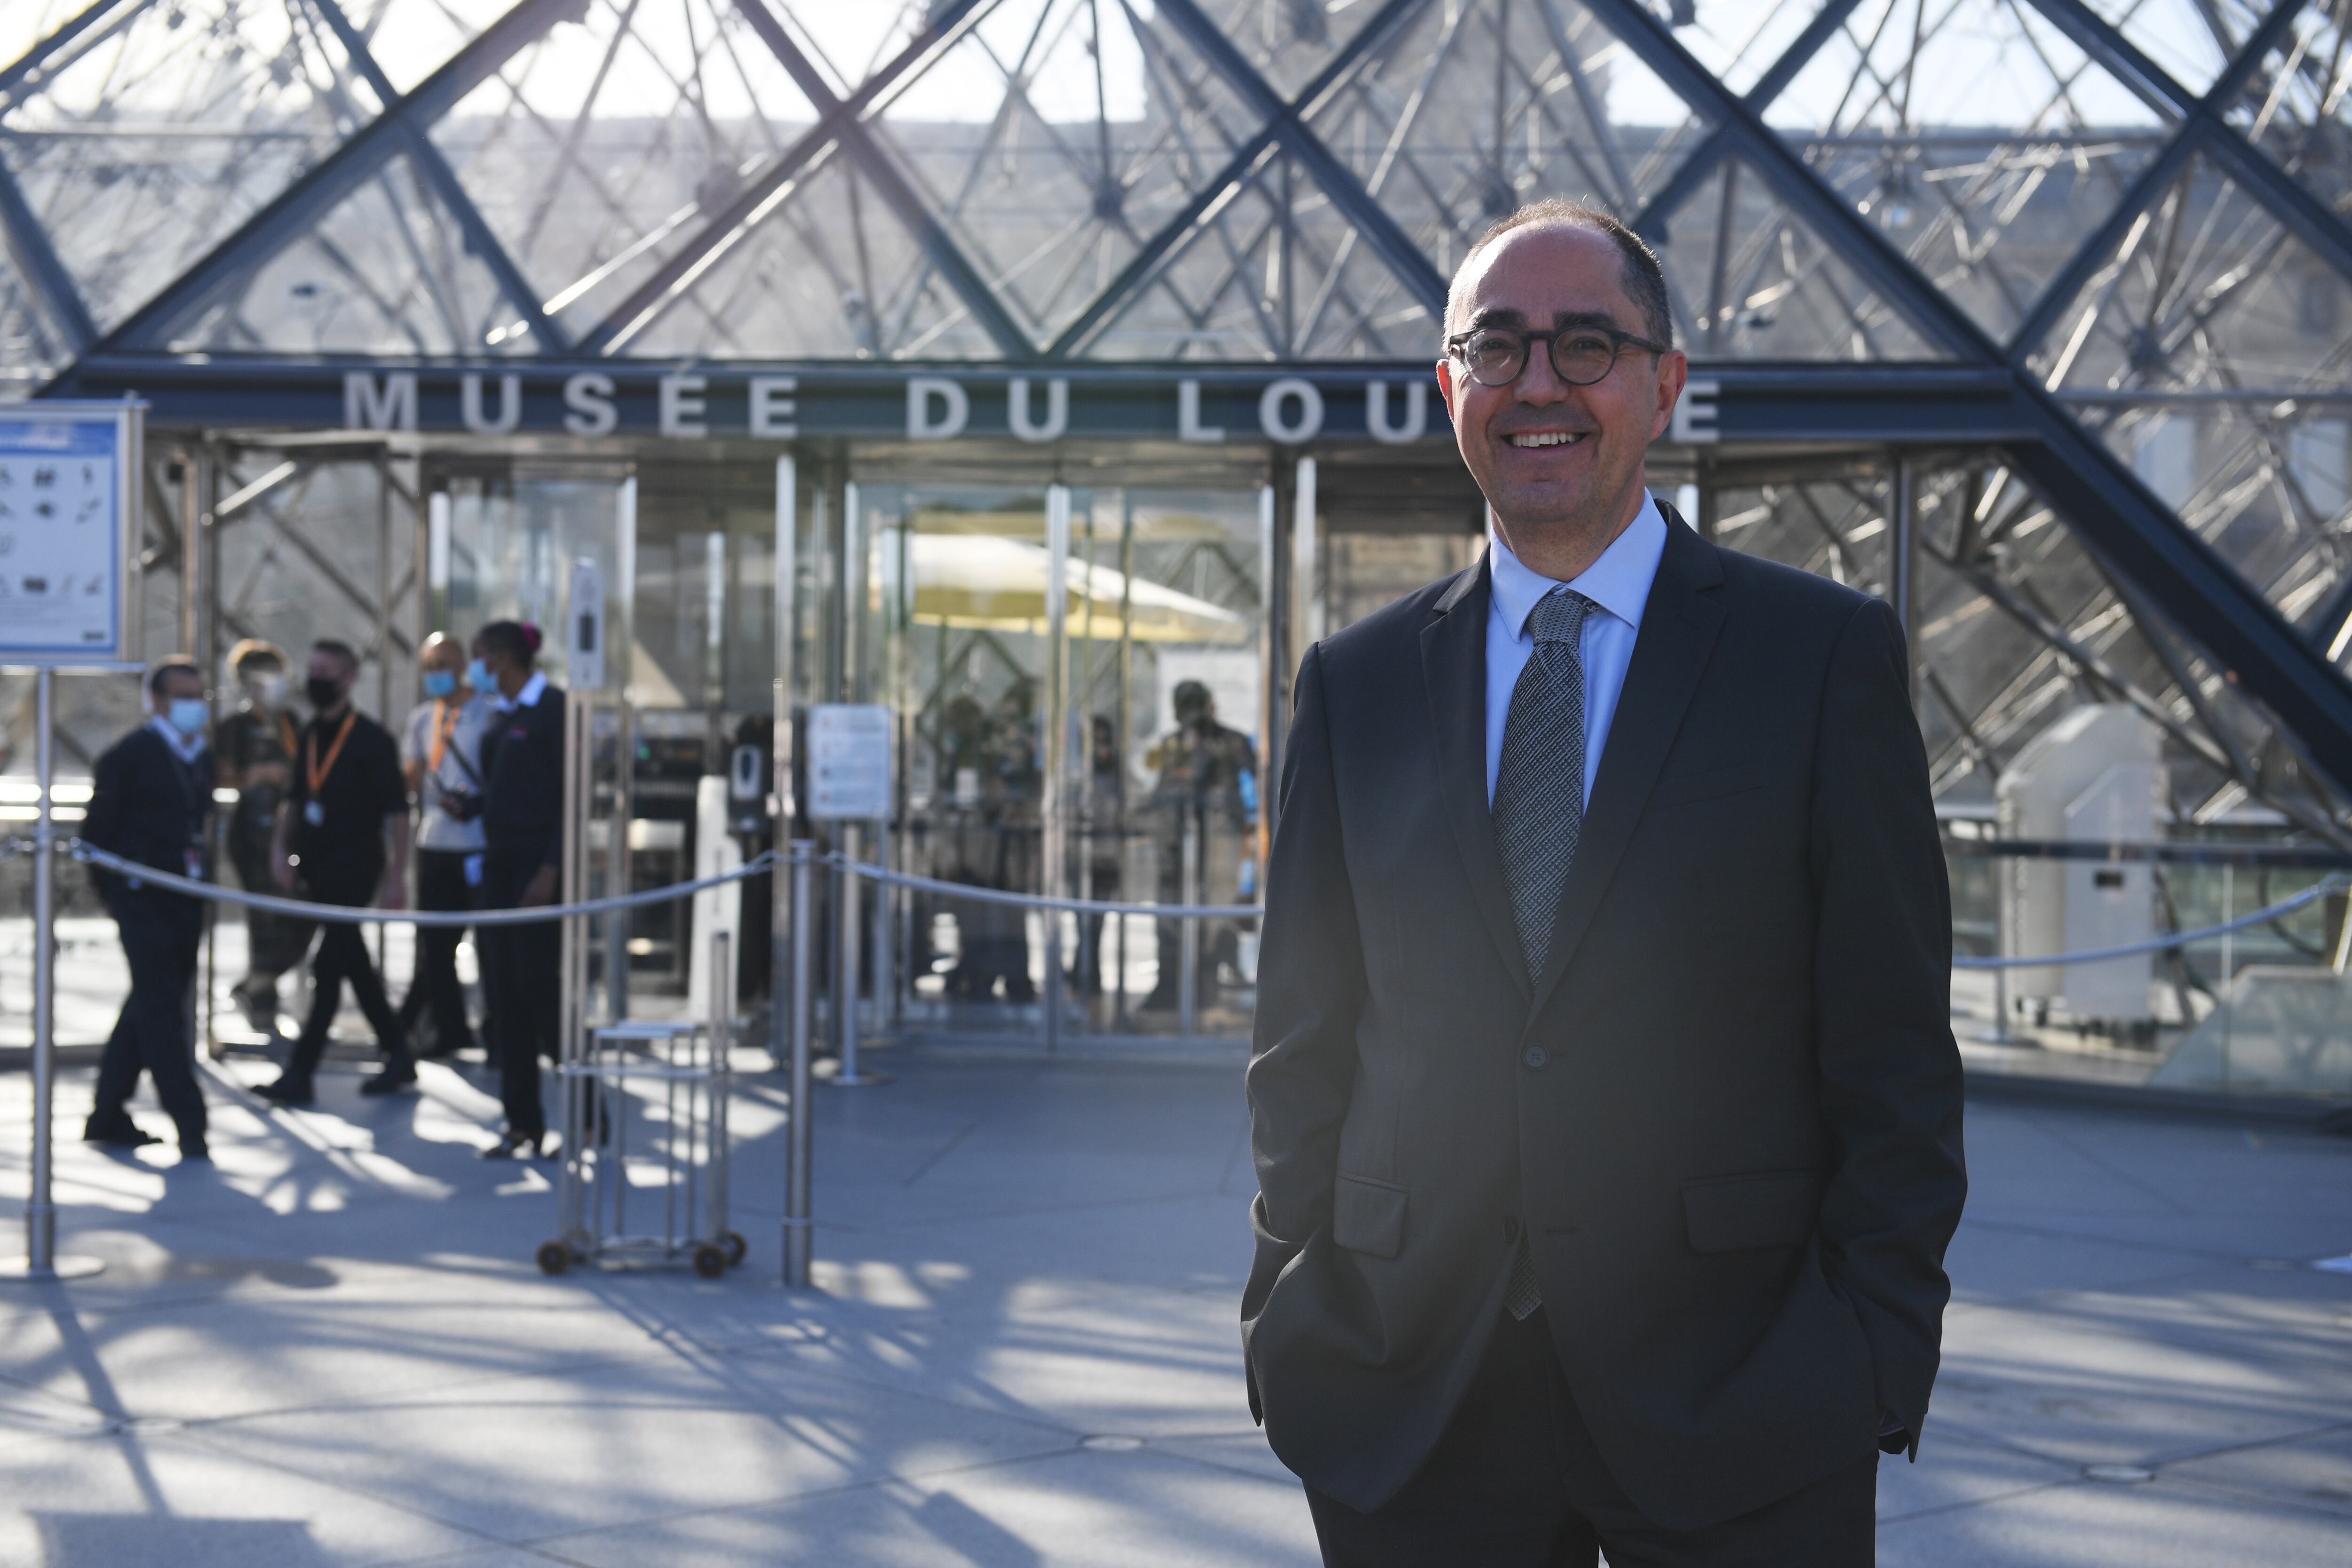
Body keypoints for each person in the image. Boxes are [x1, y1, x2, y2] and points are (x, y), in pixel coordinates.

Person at [1242, 199, 1967, 1567]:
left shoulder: (1817, 661)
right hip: (1410, 1405)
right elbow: (1302, 1041)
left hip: (1745, 1402)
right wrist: (1287, 1312)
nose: (1538, 386)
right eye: (1496, 348)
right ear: (1448, 387)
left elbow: (1892, 1057)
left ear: (1663, 383)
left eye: (1585, 345)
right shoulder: (1352, 685)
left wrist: (1869, 1353)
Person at [260, 640, 413, 1104]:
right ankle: (398, 1052)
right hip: (316, 866)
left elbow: (399, 813)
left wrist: (397, 875)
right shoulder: (309, 734)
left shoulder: (372, 740)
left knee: (329, 967)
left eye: (328, 670)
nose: (317, 679)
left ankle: (301, 1072)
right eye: (314, 669)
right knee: (353, 965)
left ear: (348, 679)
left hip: (356, 867)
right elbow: (295, 798)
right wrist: (279, 850)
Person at [81, 656, 214, 1161]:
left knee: (150, 1001)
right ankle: (191, 1122)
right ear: (158, 701)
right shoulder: (130, 755)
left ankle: (107, 1111)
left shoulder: (200, 756)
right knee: (161, 1009)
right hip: (142, 900)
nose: (192, 707)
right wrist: (115, 896)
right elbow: (95, 836)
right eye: (183, 696)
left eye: (199, 696)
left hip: (186, 898)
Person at [471, 621, 564, 1159]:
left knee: (542, 996)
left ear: (502, 658)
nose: (475, 668)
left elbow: (564, 799)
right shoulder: (500, 716)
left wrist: (550, 872)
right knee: (504, 997)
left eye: (480, 656)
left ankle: (588, 1117)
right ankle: (521, 1122)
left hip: (537, 873)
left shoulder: (552, 710)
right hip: (499, 871)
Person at [395, 632, 492, 1059]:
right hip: (435, 839)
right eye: (429, 667)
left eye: (444, 665)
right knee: (436, 944)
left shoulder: (487, 715)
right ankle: (449, 1026)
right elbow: (411, 774)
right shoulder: (422, 718)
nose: (437, 675)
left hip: (478, 842)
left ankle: (496, 1027)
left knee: (489, 943)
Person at [215, 640, 312, 1035]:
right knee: (264, 919)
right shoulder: (235, 726)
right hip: (252, 834)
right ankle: (263, 1004)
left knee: (301, 913)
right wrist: (257, 777)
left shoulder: (290, 720)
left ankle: (257, 984)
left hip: (290, 832)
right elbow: (221, 775)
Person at [1141, 681, 1254, 1012]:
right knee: (1170, 919)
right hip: (1177, 847)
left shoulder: (1232, 742)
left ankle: (1209, 987)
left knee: (1216, 921)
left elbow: (1256, 787)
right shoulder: (1172, 746)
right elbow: (1160, 794)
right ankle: (1171, 987)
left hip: (1219, 846)